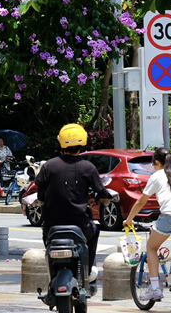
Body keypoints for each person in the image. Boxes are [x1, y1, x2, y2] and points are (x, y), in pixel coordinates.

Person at [36, 123, 112, 289]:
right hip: (80, 225)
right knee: (94, 231)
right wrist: (107, 197)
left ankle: (52, 274)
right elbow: (101, 192)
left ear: (61, 143)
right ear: (83, 143)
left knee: (47, 239)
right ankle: (88, 271)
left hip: (51, 226)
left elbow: (40, 195)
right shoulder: (88, 167)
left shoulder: (48, 166)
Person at [123, 147, 171, 301]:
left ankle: (155, 288)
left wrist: (129, 220)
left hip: (170, 216)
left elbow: (141, 202)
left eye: (153, 164)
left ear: (156, 162)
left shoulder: (156, 176)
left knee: (151, 247)